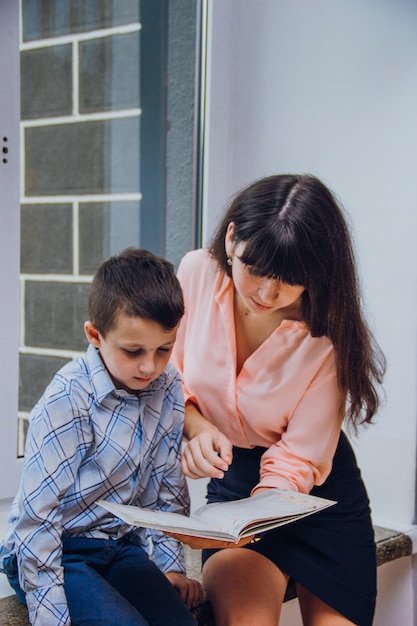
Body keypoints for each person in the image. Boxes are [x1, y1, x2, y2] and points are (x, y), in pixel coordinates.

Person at [171, 174, 386, 626]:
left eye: (290, 281)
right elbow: (168, 373)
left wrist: (253, 518)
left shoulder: (327, 332)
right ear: (232, 239)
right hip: (235, 489)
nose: (267, 294)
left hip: (318, 498)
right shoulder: (196, 274)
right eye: (255, 270)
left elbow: (299, 459)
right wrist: (196, 425)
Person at [0, 247, 203, 626]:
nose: (150, 365)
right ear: (95, 334)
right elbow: (36, 520)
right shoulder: (68, 399)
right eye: (133, 351)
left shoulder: (169, 386)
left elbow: (167, 490)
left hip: (117, 546)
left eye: (164, 349)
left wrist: (170, 566)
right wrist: (53, 619)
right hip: (56, 550)